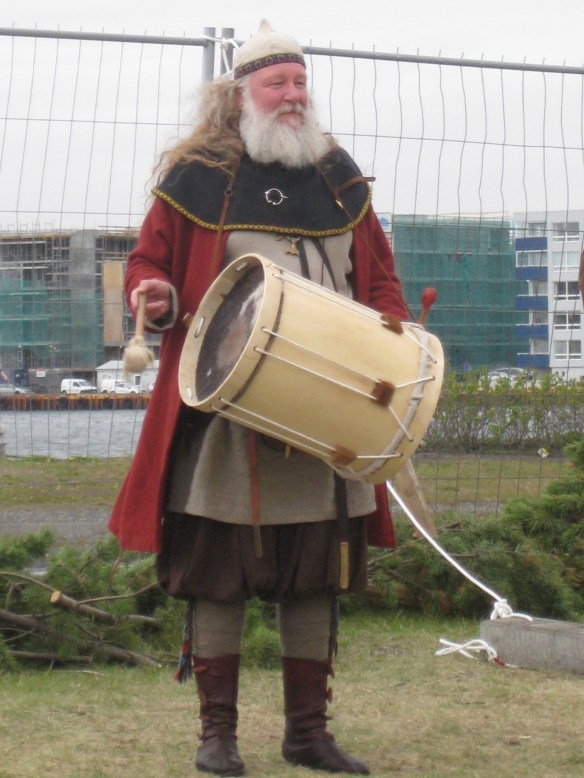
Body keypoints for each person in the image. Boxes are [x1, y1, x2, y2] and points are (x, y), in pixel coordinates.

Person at [109, 20, 409, 777]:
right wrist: (155, 293)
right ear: (242, 95)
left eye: (301, 83)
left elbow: (377, 279)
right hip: (225, 413)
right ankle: (219, 738)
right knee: (219, 575)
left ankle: (308, 735)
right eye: (278, 84)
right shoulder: (198, 176)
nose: (293, 96)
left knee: (314, 570)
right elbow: (152, 266)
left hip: (329, 410)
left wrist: (394, 346)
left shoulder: (339, 176)